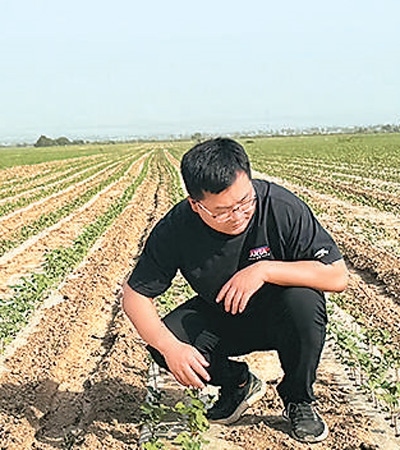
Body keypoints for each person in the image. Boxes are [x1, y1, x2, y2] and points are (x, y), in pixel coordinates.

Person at [122, 137, 348, 444]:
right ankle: (237, 383)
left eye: (245, 202)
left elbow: (336, 275)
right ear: (196, 205)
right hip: (224, 316)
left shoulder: (280, 207)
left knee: (304, 300)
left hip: (283, 315)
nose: (239, 215)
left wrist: (264, 270)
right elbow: (135, 295)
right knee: (164, 341)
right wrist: (170, 347)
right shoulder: (177, 228)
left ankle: (299, 400)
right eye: (223, 211)